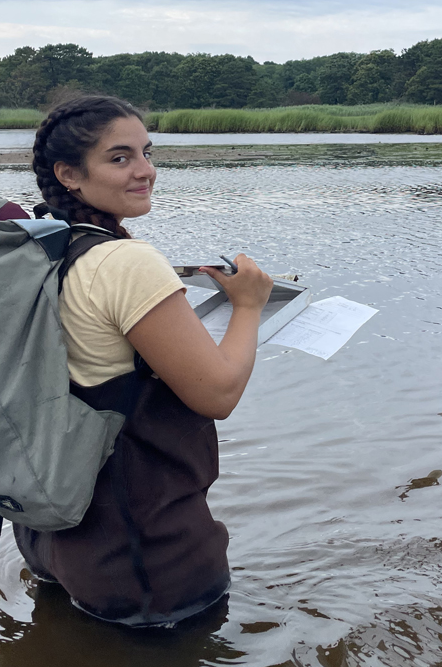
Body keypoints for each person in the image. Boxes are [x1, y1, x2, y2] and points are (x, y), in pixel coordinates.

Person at [14, 94, 273, 627]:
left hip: (49, 531)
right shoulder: (125, 262)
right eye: (120, 157)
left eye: (147, 152)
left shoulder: (34, 247)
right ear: (69, 174)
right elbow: (217, 393)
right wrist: (248, 306)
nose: (146, 171)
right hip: (146, 553)